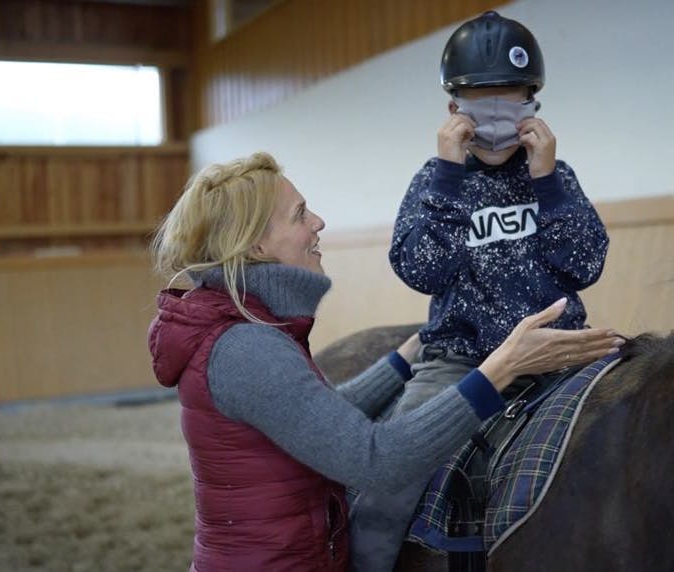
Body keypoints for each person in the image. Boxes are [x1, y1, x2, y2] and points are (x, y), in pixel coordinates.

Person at [147, 151, 622, 571]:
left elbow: (319, 414)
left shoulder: (252, 330)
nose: (318, 223)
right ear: (256, 247)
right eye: (299, 215)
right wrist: (501, 367)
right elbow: (376, 461)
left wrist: (403, 357)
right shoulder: (247, 347)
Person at [349, 11, 614, 570]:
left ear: (532, 107)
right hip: (458, 362)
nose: (496, 120)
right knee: (389, 479)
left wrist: (546, 183)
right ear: (454, 110)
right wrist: (448, 177)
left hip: (557, 353)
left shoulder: (557, 177)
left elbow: (587, 262)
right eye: (480, 104)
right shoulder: (433, 179)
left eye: (510, 103)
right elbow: (423, 270)